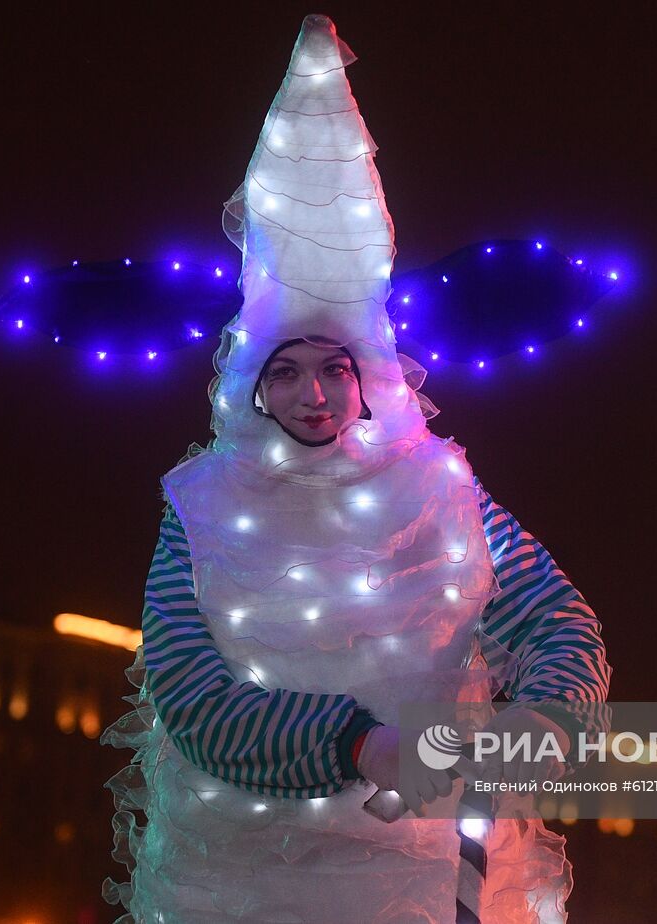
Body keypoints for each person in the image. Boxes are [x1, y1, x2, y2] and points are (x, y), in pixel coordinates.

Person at [101, 15, 610, 923]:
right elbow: (190, 691)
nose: (314, 395)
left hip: (425, 881)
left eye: (334, 369)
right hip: (246, 887)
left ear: (367, 375)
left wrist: (539, 722)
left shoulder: (440, 495)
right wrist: (361, 747)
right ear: (253, 387)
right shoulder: (205, 511)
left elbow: (557, 622)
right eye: (286, 372)